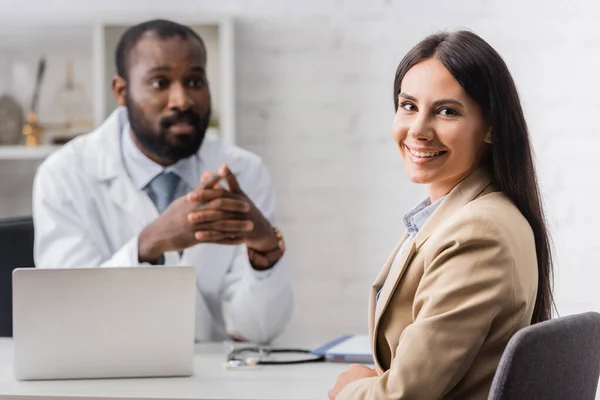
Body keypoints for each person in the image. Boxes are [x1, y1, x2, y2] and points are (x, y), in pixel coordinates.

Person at [32, 19, 293, 344]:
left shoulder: (244, 172)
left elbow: (258, 331)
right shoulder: (64, 175)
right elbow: (65, 315)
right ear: (121, 91)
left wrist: (266, 250)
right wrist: (149, 243)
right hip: (100, 378)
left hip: (208, 382)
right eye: (160, 83)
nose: (182, 100)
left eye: (195, 80)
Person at [329, 30, 554, 399]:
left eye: (446, 111)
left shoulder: (479, 233)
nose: (418, 130)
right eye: (408, 106)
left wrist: (350, 388)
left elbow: (403, 395)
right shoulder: (463, 215)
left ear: (491, 129)